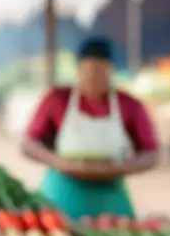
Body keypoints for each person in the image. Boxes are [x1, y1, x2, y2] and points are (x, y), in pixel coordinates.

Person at [23, 36, 160, 219]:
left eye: (100, 72)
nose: (94, 78)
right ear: (79, 70)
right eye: (89, 71)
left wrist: (122, 167)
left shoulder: (129, 105)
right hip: (62, 195)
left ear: (111, 71)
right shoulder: (57, 99)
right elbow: (29, 144)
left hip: (110, 198)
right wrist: (59, 163)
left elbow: (151, 153)